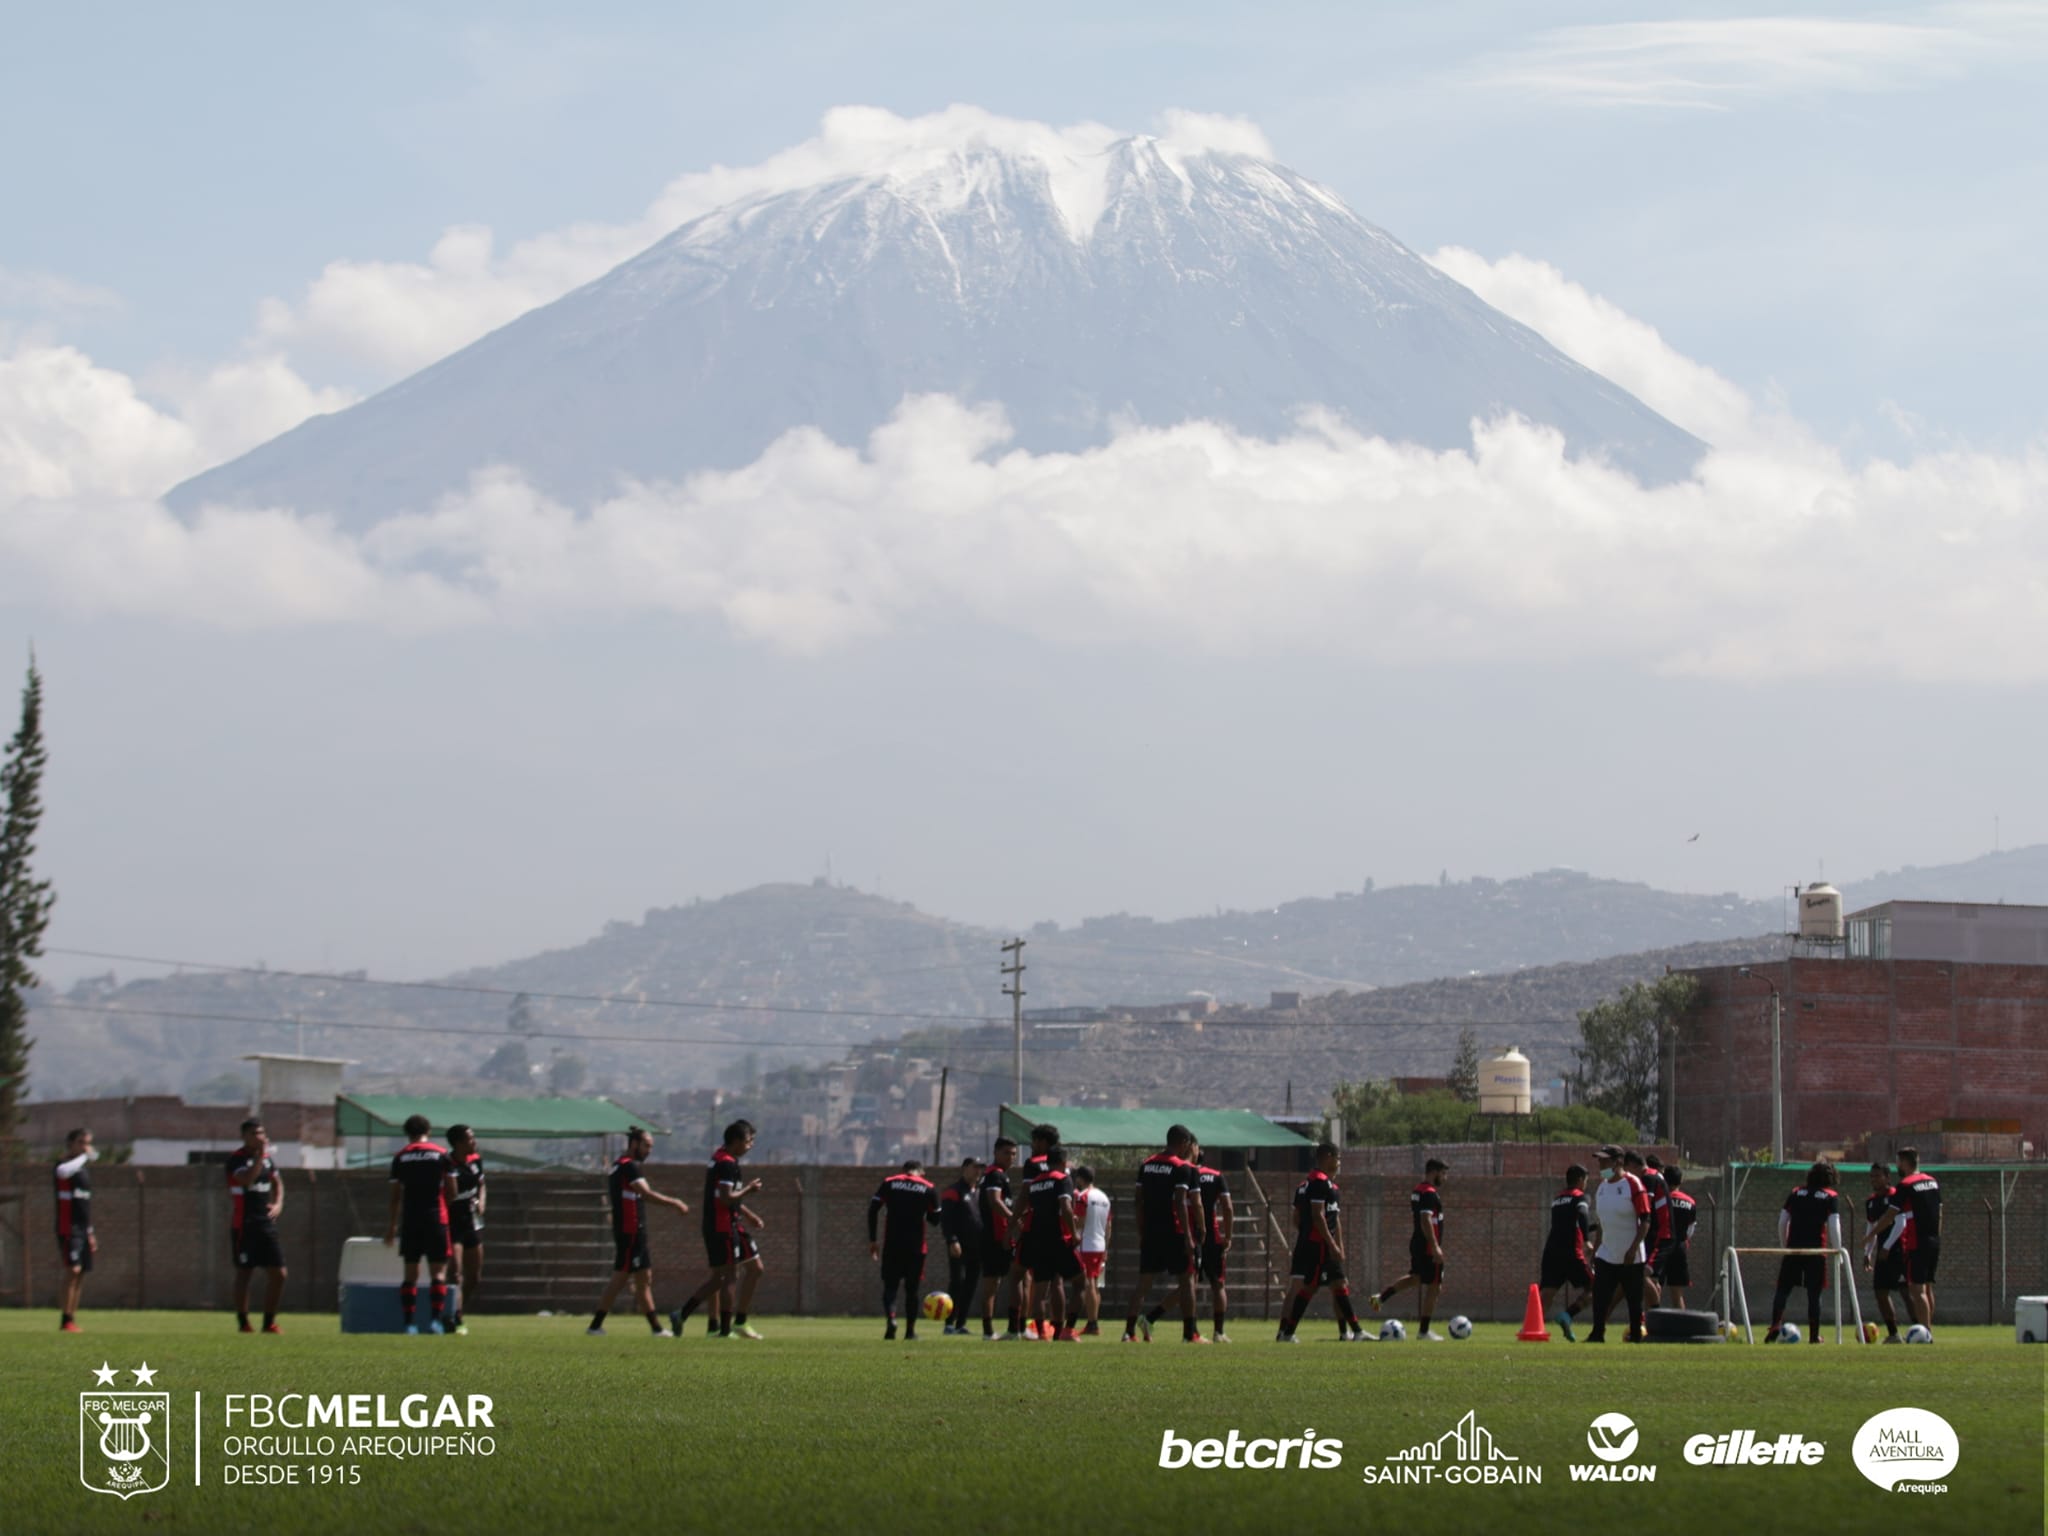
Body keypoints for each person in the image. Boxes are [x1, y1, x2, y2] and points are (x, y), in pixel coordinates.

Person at [588, 1126, 690, 1337]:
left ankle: (656, 1329)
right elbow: (646, 1194)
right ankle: (595, 1326)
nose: (649, 1151)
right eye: (646, 1146)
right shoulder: (628, 1166)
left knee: (644, 1278)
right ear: (634, 1144)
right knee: (620, 1278)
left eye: (651, 1146)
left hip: (635, 1231)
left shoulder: (620, 1165)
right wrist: (675, 1202)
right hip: (630, 1231)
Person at [670, 1120, 767, 1339]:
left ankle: (685, 1315)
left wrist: (749, 1215)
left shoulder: (721, 1158)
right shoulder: (726, 1164)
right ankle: (724, 1330)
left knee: (753, 1268)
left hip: (729, 1223)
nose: (750, 1146)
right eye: (748, 1141)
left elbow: (726, 1196)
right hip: (722, 1226)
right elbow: (725, 1198)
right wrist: (750, 1190)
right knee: (728, 1277)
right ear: (736, 1141)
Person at [1121, 1123, 1206, 1343]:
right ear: (1185, 1143)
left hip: (1151, 1232)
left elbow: (1138, 1200)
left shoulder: (1147, 1165)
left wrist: (1141, 1230)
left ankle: (1128, 1332)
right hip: (1175, 1232)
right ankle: (1189, 1334)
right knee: (1187, 1282)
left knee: (1143, 1284)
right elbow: (1184, 1202)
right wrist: (1193, 1232)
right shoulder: (1183, 1168)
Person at [1277, 1141, 1363, 1342]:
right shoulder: (1317, 1182)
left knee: (1333, 1284)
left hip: (1315, 1243)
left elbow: (1330, 1218)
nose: (1340, 1163)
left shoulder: (1323, 1185)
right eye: (1338, 1158)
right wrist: (1326, 1241)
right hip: (1317, 1244)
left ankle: (1349, 1332)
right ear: (1329, 1157)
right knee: (1309, 1286)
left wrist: (1336, 1244)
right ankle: (1287, 1332)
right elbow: (1316, 1216)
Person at [383, 1114, 461, 1334]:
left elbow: (395, 1197)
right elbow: (453, 1191)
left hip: (411, 1219)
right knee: (438, 1273)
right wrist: (441, 1208)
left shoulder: (401, 1157)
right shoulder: (441, 1155)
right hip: (436, 1218)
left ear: (407, 1133)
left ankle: (409, 1324)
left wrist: (391, 1227)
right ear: (429, 1130)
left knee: (410, 1274)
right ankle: (435, 1322)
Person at [1373, 1158, 1448, 1340]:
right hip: (1428, 1246)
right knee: (1434, 1286)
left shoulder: (1418, 1190)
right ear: (1434, 1172)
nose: (1445, 1178)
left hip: (1418, 1244)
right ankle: (1424, 1331)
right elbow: (1425, 1220)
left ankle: (1381, 1297)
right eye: (1443, 1173)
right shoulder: (1429, 1193)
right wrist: (1436, 1247)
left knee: (1416, 1278)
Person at [1767, 1160, 1841, 1343]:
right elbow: (1834, 1225)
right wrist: (1838, 1250)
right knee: (1814, 1294)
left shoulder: (1796, 1192)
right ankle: (1814, 1336)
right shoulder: (1830, 1196)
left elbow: (1782, 1221)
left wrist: (1785, 1246)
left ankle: (1775, 1324)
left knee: (1783, 1289)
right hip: (1816, 1250)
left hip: (1794, 1248)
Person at [226, 1117, 287, 1334]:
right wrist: (261, 1155)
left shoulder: (268, 1160)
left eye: (261, 1133)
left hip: (266, 1224)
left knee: (279, 1274)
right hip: (244, 1224)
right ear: (244, 1136)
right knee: (245, 1272)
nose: (259, 1137)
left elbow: (277, 1183)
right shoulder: (236, 1160)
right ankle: (244, 1324)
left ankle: (269, 1322)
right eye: (254, 1134)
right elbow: (247, 1180)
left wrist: (278, 1204)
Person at [1586, 1144, 1651, 1344]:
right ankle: (1597, 1333)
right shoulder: (1602, 1188)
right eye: (1600, 1161)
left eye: (1605, 1161)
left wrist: (1633, 1249)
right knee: (1600, 1296)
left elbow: (1646, 1220)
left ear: (1618, 1162)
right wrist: (1596, 1252)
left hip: (1630, 1255)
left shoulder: (1633, 1184)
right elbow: (1602, 1225)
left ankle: (1636, 1334)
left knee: (1633, 1299)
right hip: (1607, 1253)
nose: (1601, 1165)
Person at [869, 1158, 941, 1339]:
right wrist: (922, 1211)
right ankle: (910, 1331)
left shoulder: (890, 1183)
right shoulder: (928, 1187)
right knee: (912, 1289)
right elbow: (935, 1220)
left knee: (890, 1287)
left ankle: (891, 1319)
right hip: (916, 1247)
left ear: (904, 1170)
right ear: (921, 1172)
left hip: (892, 1244)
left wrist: (873, 1240)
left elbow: (872, 1209)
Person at [1874, 1146, 1942, 1333]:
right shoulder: (1932, 1181)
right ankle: (1928, 1330)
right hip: (1934, 1240)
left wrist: (1870, 1235)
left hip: (1916, 1241)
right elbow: (1940, 1213)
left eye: (1898, 1162)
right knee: (1927, 1288)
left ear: (1904, 1162)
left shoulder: (1906, 1184)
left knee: (1916, 1289)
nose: (1897, 1166)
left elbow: (1889, 1216)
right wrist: (1936, 1236)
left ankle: (1925, 1333)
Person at [1023, 1145, 1084, 1340]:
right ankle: (1066, 1331)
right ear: (1063, 1163)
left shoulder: (1035, 1182)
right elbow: (1065, 1207)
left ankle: (1042, 1333)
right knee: (1080, 1283)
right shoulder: (1062, 1179)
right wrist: (1074, 1233)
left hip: (1038, 1240)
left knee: (1040, 1290)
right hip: (1058, 1239)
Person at [1004, 1123, 1057, 1339]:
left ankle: (1015, 1329)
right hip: (1056, 1231)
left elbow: (1025, 1196)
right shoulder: (1063, 1165)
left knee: (1016, 1275)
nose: (1032, 1146)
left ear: (1043, 1142)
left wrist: (1011, 1225)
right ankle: (1050, 1332)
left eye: (1034, 1141)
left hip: (1033, 1228)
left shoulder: (1033, 1164)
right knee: (1052, 1282)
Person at [1538, 1163, 1597, 1341]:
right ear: (1580, 1180)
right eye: (1586, 1180)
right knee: (1597, 1287)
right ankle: (1568, 1315)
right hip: (1571, 1252)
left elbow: (1569, 1224)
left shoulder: (1557, 1199)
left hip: (1551, 1252)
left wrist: (1593, 1228)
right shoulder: (1581, 1197)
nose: (1586, 1184)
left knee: (1546, 1294)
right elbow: (1582, 1215)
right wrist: (1587, 1239)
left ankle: (1534, 1326)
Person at [1863, 1162, 1914, 1342]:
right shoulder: (1871, 1202)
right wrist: (1867, 1252)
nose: (1874, 1179)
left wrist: (1887, 1247)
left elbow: (1901, 1223)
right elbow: (1871, 1228)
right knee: (1880, 1292)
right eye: (1871, 1176)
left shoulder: (1895, 1196)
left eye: (1877, 1176)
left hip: (1899, 1251)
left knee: (1906, 1292)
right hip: (1882, 1254)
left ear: (1887, 1178)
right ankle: (1894, 1334)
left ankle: (1920, 1330)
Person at [53, 1127, 96, 1333]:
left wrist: (90, 1232)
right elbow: (63, 1172)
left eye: (87, 1143)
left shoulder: (82, 1171)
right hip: (68, 1227)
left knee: (81, 1274)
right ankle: (64, 1319)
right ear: (70, 1143)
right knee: (73, 1269)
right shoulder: (64, 1166)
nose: (85, 1147)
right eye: (81, 1142)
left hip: (82, 1228)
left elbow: (84, 1205)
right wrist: (85, 1157)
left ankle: (72, 1318)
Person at [446, 1123, 485, 1335]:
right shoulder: (448, 1163)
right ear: (459, 1143)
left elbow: (481, 1184)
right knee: (456, 1273)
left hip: (472, 1221)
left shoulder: (475, 1160)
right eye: (470, 1139)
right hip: (453, 1221)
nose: (474, 1142)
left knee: (475, 1276)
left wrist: (481, 1202)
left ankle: (456, 1311)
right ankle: (454, 1317)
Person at [976, 1139, 1018, 1339]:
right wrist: (1013, 1219)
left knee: (1014, 1279)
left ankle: (1013, 1327)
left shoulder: (998, 1175)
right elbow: (994, 1202)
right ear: (996, 1153)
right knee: (994, 1284)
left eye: (1014, 1154)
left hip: (1001, 1236)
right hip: (996, 1237)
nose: (1011, 1157)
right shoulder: (994, 1175)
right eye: (1007, 1153)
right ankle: (992, 1331)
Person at [937, 1155, 983, 1335]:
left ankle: (961, 1323)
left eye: (980, 1168)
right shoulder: (953, 1191)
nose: (978, 1171)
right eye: (974, 1167)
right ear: (964, 1169)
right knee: (957, 1282)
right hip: (959, 1246)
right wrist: (952, 1240)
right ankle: (949, 1323)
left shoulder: (979, 1192)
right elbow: (946, 1219)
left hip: (977, 1247)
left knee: (971, 1283)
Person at [1193, 1145, 1234, 1343]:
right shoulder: (1216, 1176)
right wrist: (1228, 1236)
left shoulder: (1186, 1174)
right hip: (1212, 1237)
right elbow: (1227, 1207)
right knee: (1218, 1284)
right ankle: (1219, 1332)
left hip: (1191, 1235)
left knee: (1188, 1284)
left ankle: (1190, 1329)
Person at [1072, 1164, 1112, 1336]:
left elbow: (1080, 1222)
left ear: (1080, 1179)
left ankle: (1092, 1324)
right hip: (1099, 1244)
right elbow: (1109, 1226)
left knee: (1089, 1284)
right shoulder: (1104, 1197)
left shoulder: (1083, 1196)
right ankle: (1093, 1321)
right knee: (1095, 1284)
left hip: (1086, 1244)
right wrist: (1106, 1247)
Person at [1633, 1153, 1673, 1307]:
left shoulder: (1650, 1179)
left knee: (1643, 1275)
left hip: (1661, 1236)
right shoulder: (1657, 1179)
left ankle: (1655, 1315)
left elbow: (1645, 1209)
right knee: (1652, 1279)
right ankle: (1651, 1318)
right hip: (1658, 1234)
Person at [1659, 1166, 1697, 1310]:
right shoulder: (1690, 1202)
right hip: (1679, 1247)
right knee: (1677, 1293)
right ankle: (1681, 1327)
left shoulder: (1660, 1199)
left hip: (1660, 1247)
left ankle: (1653, 1326)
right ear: (1681, 1180)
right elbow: (1690, 1230)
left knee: (1654, 1288)